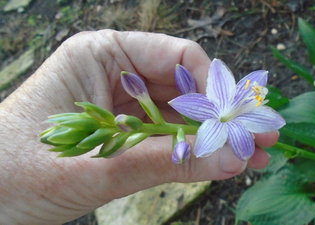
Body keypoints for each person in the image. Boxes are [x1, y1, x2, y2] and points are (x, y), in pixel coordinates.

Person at [0, 30, 279, 224]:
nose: (249, 92)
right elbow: (209, 141)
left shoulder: (243, 114)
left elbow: (247, 139)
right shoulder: (206, 113)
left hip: (230, 121)